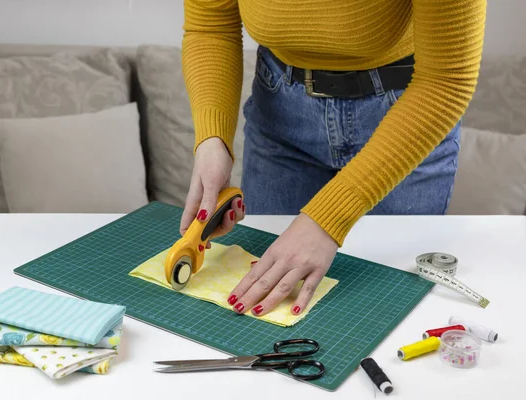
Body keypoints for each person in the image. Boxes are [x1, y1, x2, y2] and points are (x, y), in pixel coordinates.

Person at [179, 0, 486, 318]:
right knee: (270, 300)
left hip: (408, 123)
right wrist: (212, 140)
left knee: (389, 312)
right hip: (280, 114)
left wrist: (328, 219)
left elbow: (447, 79)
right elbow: (211, 26)